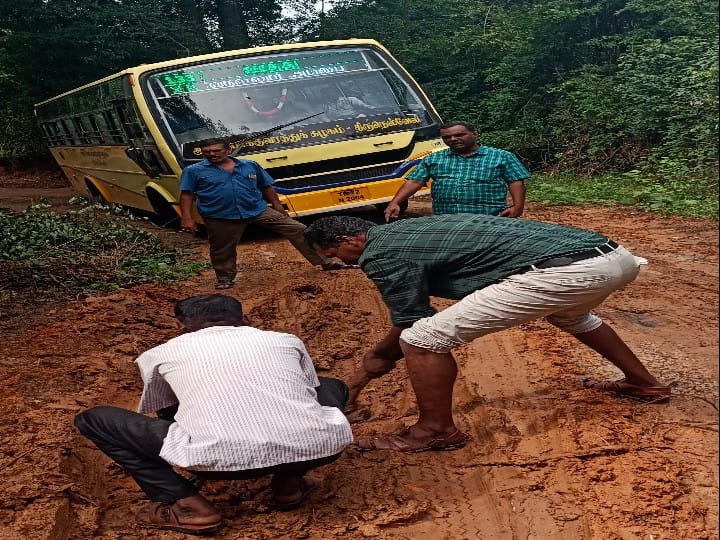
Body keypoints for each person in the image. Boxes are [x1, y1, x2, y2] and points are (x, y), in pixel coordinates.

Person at [304, 214, 671, 453]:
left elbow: (411, 319)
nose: (342, 262)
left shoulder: (380, 251)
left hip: (567, 271)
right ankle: (643, 383)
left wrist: (370, 365)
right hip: (615, 257)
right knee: (572, 316)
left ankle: (434, 430)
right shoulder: (406, 228)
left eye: (337, 253)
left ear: (351, 239)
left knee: (422, 340)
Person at [74, 294, 353, 535]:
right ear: (245, 319)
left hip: (209, 462)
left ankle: (186, 504)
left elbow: (167, 411)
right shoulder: (286, 340)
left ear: (180, 328)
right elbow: (308, 389)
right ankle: (289, 485)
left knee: (93, 419)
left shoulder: (158, 354)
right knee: (330, 386)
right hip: (322, 449)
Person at [179, 138, 356, 289]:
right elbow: (187, 194)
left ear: (228, 150)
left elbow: (266, 186)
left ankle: (326, 261)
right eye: (206, 152)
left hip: (257, 209)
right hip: (220, 215)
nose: (211, 154)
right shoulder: (194, 171)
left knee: (299, 229)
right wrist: (186, 218)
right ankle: (225, 278)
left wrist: (278, 206)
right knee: (222, 248)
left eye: (216, 150)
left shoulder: (249, 165)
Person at [383, 121, 530, 222]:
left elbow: (515, 181)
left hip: (489, 218)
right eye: (447, 137)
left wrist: (518, 207)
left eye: (459, 135)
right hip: (446, 219)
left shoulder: (501, 156)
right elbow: (415, 181)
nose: (453, 139)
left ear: (475, 134)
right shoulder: (433, 158)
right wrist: (395, 202)